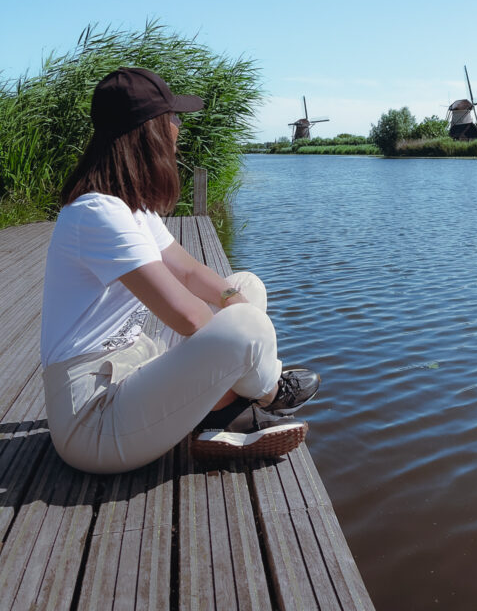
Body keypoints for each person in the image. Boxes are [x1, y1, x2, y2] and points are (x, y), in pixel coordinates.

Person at [40, 67, 320, 473]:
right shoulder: (96, 212)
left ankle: (221, 410)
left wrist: (232, 300)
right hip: (93, 423)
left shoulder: (130, 207)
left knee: (245, 286)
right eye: (172, 116)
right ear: (147, 129)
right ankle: (267, 394)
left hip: (132, 369)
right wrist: (244, 347)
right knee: (244, 326)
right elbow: (186, 315)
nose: (179, 125)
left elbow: (189, 273)